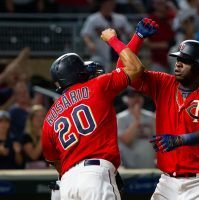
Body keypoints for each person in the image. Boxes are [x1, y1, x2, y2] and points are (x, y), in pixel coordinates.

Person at [42, 18, 158, 200]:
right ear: (79, 73)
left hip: (66, 184)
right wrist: (115, 39)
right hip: (95, 174)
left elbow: (54, 160)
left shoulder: (49, 117)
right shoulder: (95, 86)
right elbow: (135, 68)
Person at [117, 38, 199, 199]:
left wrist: (180, 140)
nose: (178, 64)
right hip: (168, 182)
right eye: (178, 59)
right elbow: (123, 70)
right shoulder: (163, 83)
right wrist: (138, 38)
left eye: (185, 61)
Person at [80, 0, 132, 72]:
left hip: (119, 52)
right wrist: (90, 43)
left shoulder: (121, 18)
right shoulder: (93, 19)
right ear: (102, 4)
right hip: (101, 53)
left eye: (112, 3)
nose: (111, 5)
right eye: (109, 3)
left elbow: (130, 33)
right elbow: (85, 34)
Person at [117, 88, 156, 168]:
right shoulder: (120, 118)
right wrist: (137, 119)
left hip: (149, 168)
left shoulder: (151, 117)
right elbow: (126, 140)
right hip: (129, 169)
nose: (137, 98)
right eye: (132, 96)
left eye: (139, 95)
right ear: (125, 99)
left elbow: (157, 142)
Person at [22, 104, 48, 169]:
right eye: (36, 116)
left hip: (48, 170)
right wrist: (42, 137)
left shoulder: (49, 133)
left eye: (42, 116)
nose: (40, 119)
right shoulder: (26, 136)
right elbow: (33, 156)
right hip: (33, 172)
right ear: (31, 118)